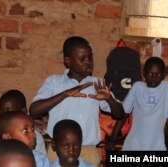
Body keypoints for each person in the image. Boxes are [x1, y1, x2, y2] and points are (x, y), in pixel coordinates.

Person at [29, 36, 124, 166]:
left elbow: (120, 114)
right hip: (58, 152)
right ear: (68, 61)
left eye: (90, 58)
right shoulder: (54, 82)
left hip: (88, 151)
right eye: (82, 58)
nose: (89, 62)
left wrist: (109, 99)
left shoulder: (97, 84)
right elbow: (34, 110)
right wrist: (65, 94)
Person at [107, 57, 168, 151]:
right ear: (144, 73)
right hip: (134, 144)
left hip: (156, 145)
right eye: (150, 74)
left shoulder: (167, 89)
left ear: (163, 75)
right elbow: (123, 114)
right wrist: (112, 139)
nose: (153, 77)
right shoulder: (137, 88)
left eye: (157, 75)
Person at [0, 89, 47, 155]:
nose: (3, 116)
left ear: (23, 111)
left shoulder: (35, 138)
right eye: (0, 112)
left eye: (8, 112)